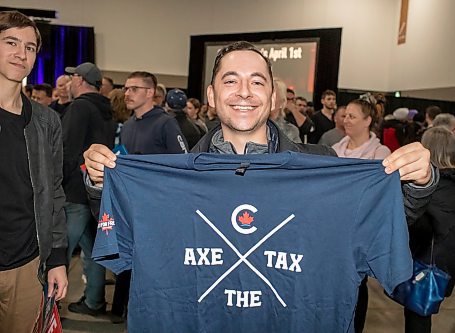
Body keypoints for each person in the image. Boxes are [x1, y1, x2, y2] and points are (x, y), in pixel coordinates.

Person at [83, 41, 436, 330]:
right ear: (211, 93)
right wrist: (103, 182)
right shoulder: (166, 179)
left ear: (272, 97)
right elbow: (125, 231)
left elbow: (382, 222)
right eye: (231, 80)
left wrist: (419, 181)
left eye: (257, 81)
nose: (244, 92)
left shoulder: (321, 166)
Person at [0, 11, 67, 332]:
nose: (20, 53)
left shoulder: (46, 121)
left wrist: (57, 258)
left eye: (29, 47)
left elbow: (53, 191)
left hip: (25, 264)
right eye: (11, 42)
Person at [404, 126, 455, 333]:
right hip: (446, 261)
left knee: (417, 316)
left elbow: (418, 226)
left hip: (424, 261)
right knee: (421, 314)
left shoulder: (431, 186)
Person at [332, 98, 391, 333]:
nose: (346, 120)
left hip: (361, 231)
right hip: (334, 229)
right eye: (345, 115)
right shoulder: (335, 150)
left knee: (357, 283)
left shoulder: (380, 153)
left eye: (352, 116)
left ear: (368, 121)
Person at [63, 61, 117, 316]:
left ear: (80, 81)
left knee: (58, 251)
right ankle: (94, 301)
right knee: (94, 249)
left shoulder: (80, 107)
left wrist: (55, 185)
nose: (70, 82)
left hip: (74, 191)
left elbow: (67, 150)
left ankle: (45, 304)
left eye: (73, 78)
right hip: (96, 191)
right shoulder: (107, 110)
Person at [270, 78, 301, 143]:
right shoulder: (251, 126)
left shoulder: (290, 131)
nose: (268, 99)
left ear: (282, 102)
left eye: (273, 95)